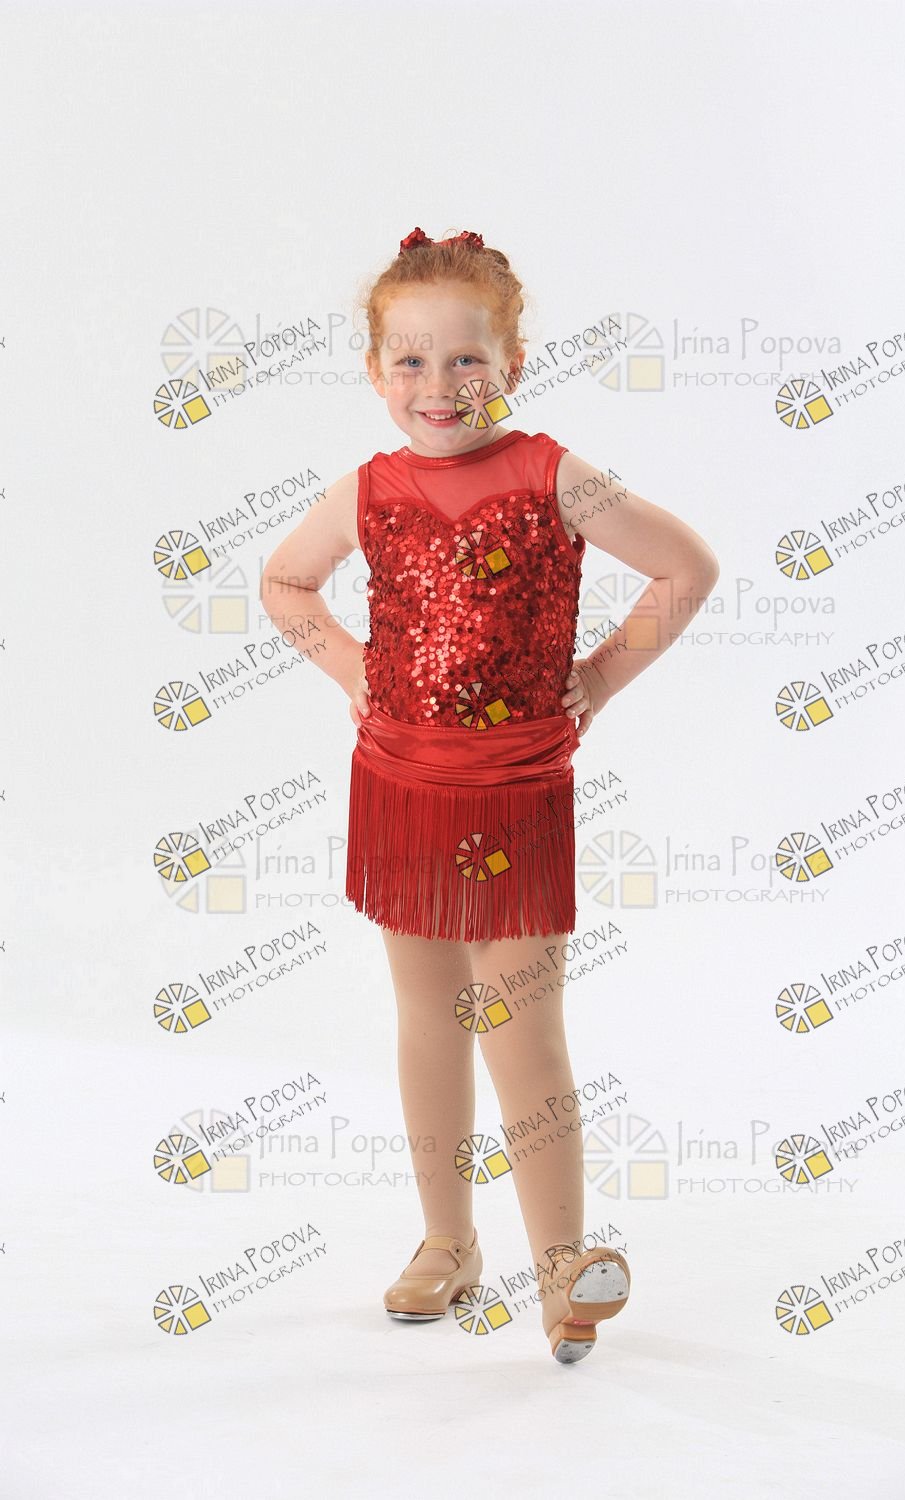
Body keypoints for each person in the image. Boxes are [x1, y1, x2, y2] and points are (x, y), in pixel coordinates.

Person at [260, 225, 720, 1363]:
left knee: (521, 1029)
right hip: (401, 784)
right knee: (428, 1023)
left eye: (466, 359)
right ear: (376, 373)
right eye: (410, 361)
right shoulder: (367, 489)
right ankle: (447, 1243)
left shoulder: (555, 475)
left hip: (516, 791)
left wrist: (597, 681)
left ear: (512, 361)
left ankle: (562, 1269)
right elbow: (284, 583)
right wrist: (355, 670)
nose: (439, 384)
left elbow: (686, 567)